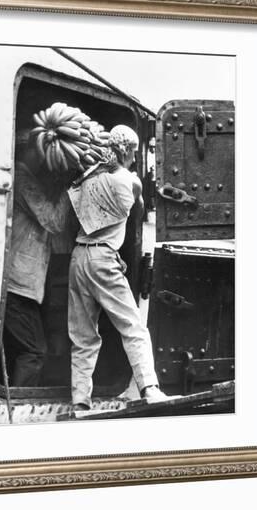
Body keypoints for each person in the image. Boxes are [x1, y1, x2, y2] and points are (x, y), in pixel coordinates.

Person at [67, 125, 168, 410]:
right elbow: (138, 203)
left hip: (79, 257)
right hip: (102, 261)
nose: (136, 158)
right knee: (132, 326)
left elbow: (95, 219)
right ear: (125, 150)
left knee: (83, 336)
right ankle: (150, 388)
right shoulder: (129, 179)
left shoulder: (88, 179)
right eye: (134, 151)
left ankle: (80, 402)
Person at [2, 128, 71, 386]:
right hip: (18, 287)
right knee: (34, 352)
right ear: (31, 151)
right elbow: (53, 220)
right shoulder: (22, 179)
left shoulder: (28, 180)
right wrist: (69, 187)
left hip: (25, 286)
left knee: (25, 350)